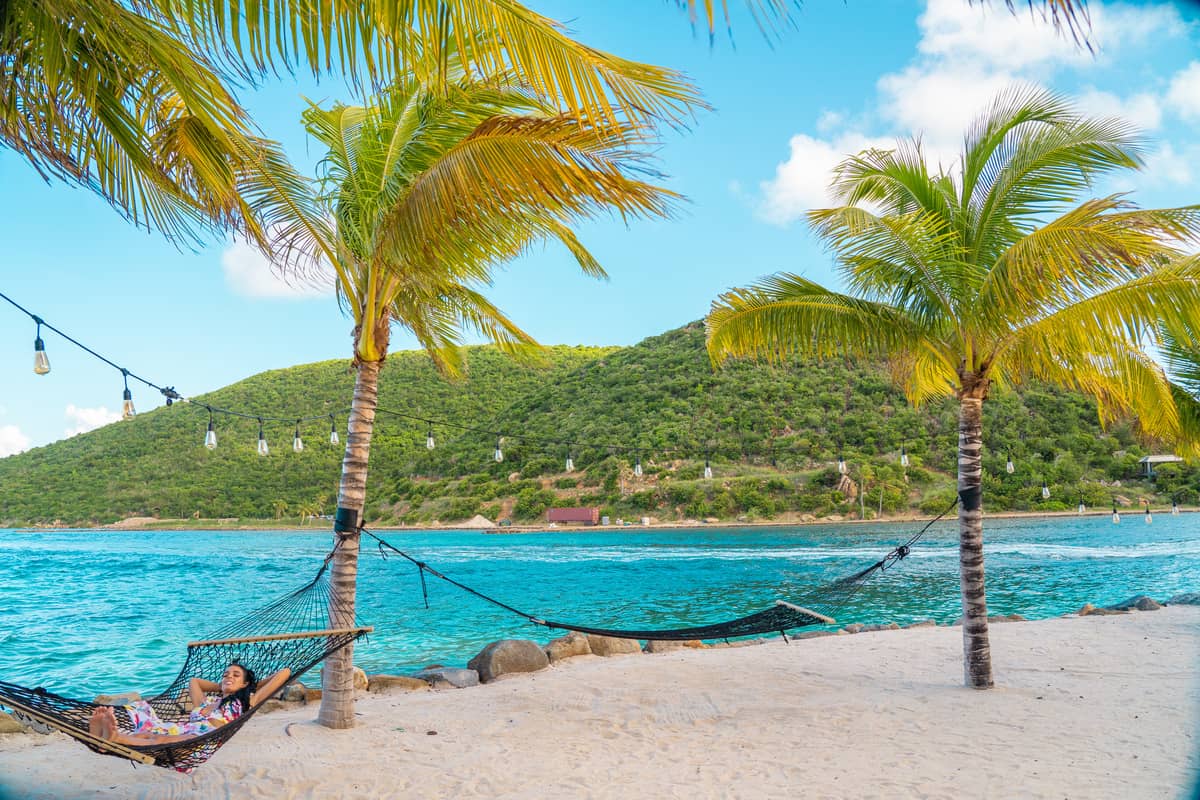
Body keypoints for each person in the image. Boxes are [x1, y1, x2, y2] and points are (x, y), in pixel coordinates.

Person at [88, 662, 291, 746]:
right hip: (183, 728)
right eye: (225, 674)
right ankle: (105, 738)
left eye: (235, 675)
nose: (229, 676)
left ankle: (114, 737)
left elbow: (285, 673)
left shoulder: (246, 700)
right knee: (149, 729)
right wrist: (223, 686)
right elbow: (194, 681)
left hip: (204, 737)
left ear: (245, 683)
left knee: (158, 740)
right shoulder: (206, 701)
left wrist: (248, 686)